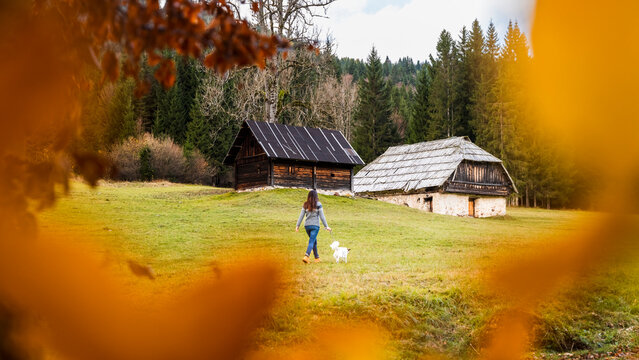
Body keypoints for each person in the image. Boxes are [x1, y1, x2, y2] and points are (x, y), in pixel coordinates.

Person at [295, 190, 331, 264]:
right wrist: (326, 226)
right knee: (312, 241)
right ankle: (306, 256)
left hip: (307, 226)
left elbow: (301, 216)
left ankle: (317, 258)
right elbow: (322, 216)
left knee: (314, 241)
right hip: (315, 226)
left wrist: (297, 225)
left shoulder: (305, 204)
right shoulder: (318, 204)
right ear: (316, 196)